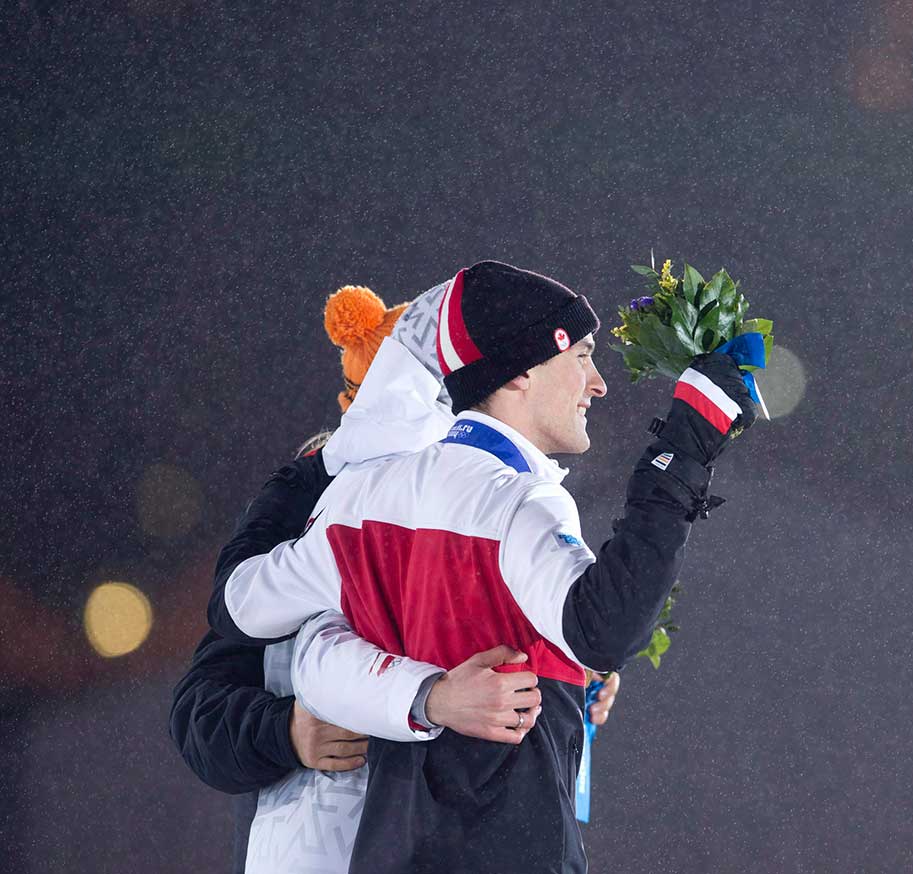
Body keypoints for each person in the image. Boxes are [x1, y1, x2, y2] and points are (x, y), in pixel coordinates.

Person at [209, 260, 756, 873]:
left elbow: (243, 607)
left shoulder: (357, 499)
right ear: (520, 370)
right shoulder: (516, 498)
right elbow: (606, 628)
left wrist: (428, 695)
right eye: (580, 356)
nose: (597, 383)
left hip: (387, 853)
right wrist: (683, 450)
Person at [170, 284, 622, 873]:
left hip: (437, 834)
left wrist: (570, 673)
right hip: (314, 846)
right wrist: (285, 733)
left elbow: (499, 659)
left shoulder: (473, 503)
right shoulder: (320, 508)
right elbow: (199, 713)